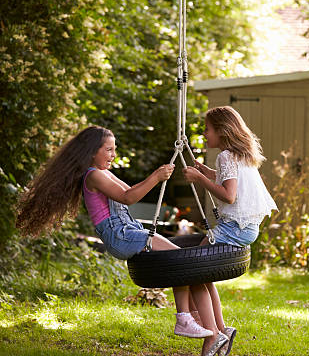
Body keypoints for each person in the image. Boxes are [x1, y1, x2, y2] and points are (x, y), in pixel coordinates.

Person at [16, 126, 229, 354]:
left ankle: (209, 327)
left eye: (114, 149)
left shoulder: (104, 173)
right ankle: (186, 318)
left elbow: (130, 189)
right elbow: (127, 198)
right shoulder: (94, 175)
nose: (113, 155)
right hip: (120, 236)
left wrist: (155, 178)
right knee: (180, 259)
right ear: (91, 152)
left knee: (182, 260)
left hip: (128, 231)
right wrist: (156, 177)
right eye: (108, 150)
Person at [182, 106, 277, 356]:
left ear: (222, 131)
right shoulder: (239, 155)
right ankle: (221, 329)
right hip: (246, 228)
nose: (204, 134)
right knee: (202, 275)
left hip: (234, 227)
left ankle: (213, 335)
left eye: (207, 129)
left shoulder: (226, 155)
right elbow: (227, 179)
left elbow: (229, 195)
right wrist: (206, 172)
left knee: (192, 271)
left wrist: (200, 180)